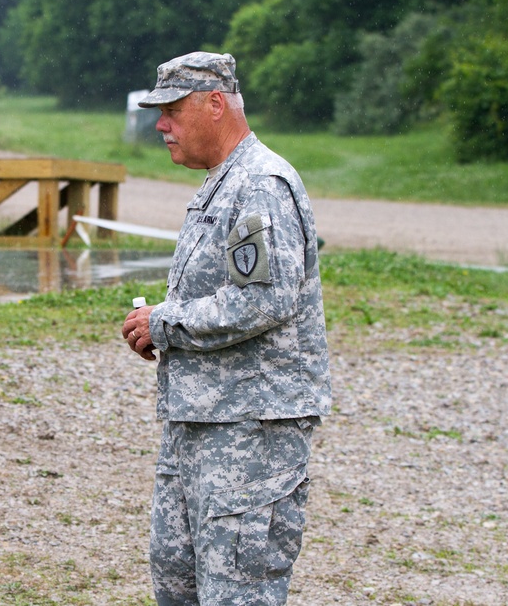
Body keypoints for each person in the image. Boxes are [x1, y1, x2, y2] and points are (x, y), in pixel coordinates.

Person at [121, 52, 331, 605]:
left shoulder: (260, 184)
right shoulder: (224, 182)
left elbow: (262, 300)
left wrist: (163, 323)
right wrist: (166, 330)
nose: (160, 124)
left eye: (171, 110)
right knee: (177, 581)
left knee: (238, 592)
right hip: (201, 422)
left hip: (250, 431)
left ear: (215, 104)